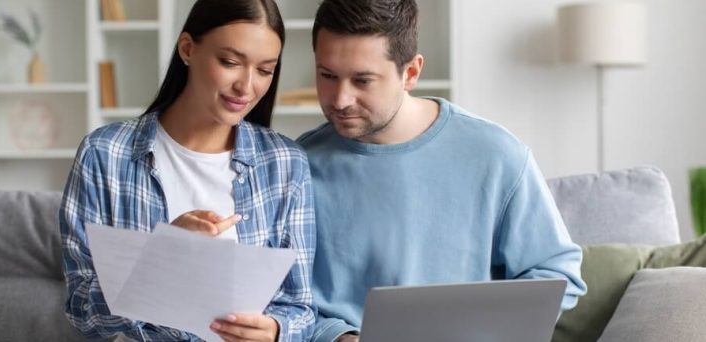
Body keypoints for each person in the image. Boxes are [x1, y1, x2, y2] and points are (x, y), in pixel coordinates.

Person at [295, 0, 587, 341]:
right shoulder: (297, 166)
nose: (341, 99)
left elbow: (557, 276)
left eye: (363, 81)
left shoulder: (495, 155)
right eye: (327, 75)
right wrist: (336, 336)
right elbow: (285, 301)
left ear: (411, 73)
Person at [59, 0, 316, 341]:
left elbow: (300, 308)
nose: (246, 86)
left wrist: (275, 331)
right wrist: (162, 258)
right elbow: (80, 309)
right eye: (230, 62)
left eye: (265, 70)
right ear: (187, 49)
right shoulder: (104, 155)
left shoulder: (285, 163)